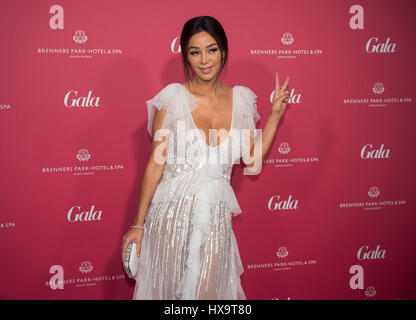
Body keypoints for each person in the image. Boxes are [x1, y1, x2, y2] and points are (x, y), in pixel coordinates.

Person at [121, 15, 290, 300]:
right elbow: (156, 163)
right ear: (185, 56)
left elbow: (252, 160)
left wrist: (273, 117)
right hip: (170, 217)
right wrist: (138, 225)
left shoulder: (242, 100)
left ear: (223, 51)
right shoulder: (172, 98)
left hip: (214, 218)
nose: (204, 60)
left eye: (211, 49)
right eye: (194, 52)